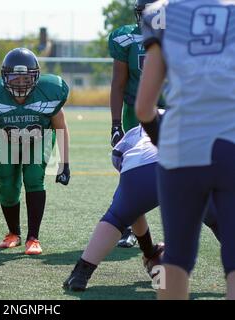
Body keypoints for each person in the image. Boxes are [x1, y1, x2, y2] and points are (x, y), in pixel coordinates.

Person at [136, 0, 235, 299]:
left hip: (181, 149)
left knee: (176, 257)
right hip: (231, 145)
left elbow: (143, 107)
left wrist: (161, 141)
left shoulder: (160, 13)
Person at [64, 122, 220, 292]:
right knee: (219, 222)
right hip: (190, 167)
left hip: (142, 167)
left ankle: (81, 273)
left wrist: (149, 251)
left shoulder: (132, 137)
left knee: (117, 217)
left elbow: (134, 210)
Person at [0, 48, 70, 255]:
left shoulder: (49, 92)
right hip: (5, 141)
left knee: (34, 178)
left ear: (36, 76)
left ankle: (33, 237)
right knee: (7, 185)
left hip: (38, 139)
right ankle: (13, 233)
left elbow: (60, 127)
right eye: (15, 77)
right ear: (5, 77)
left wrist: (64, 163)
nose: (21, 82)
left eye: (26, 77)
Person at [108, 0, 161, 248]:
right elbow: (119, 82)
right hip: (135, 112)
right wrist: (116, 123)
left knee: (185, 171)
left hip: (173, 112)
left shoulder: (182, 37)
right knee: (130, 171)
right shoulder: (126, 38)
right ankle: (128, 226)